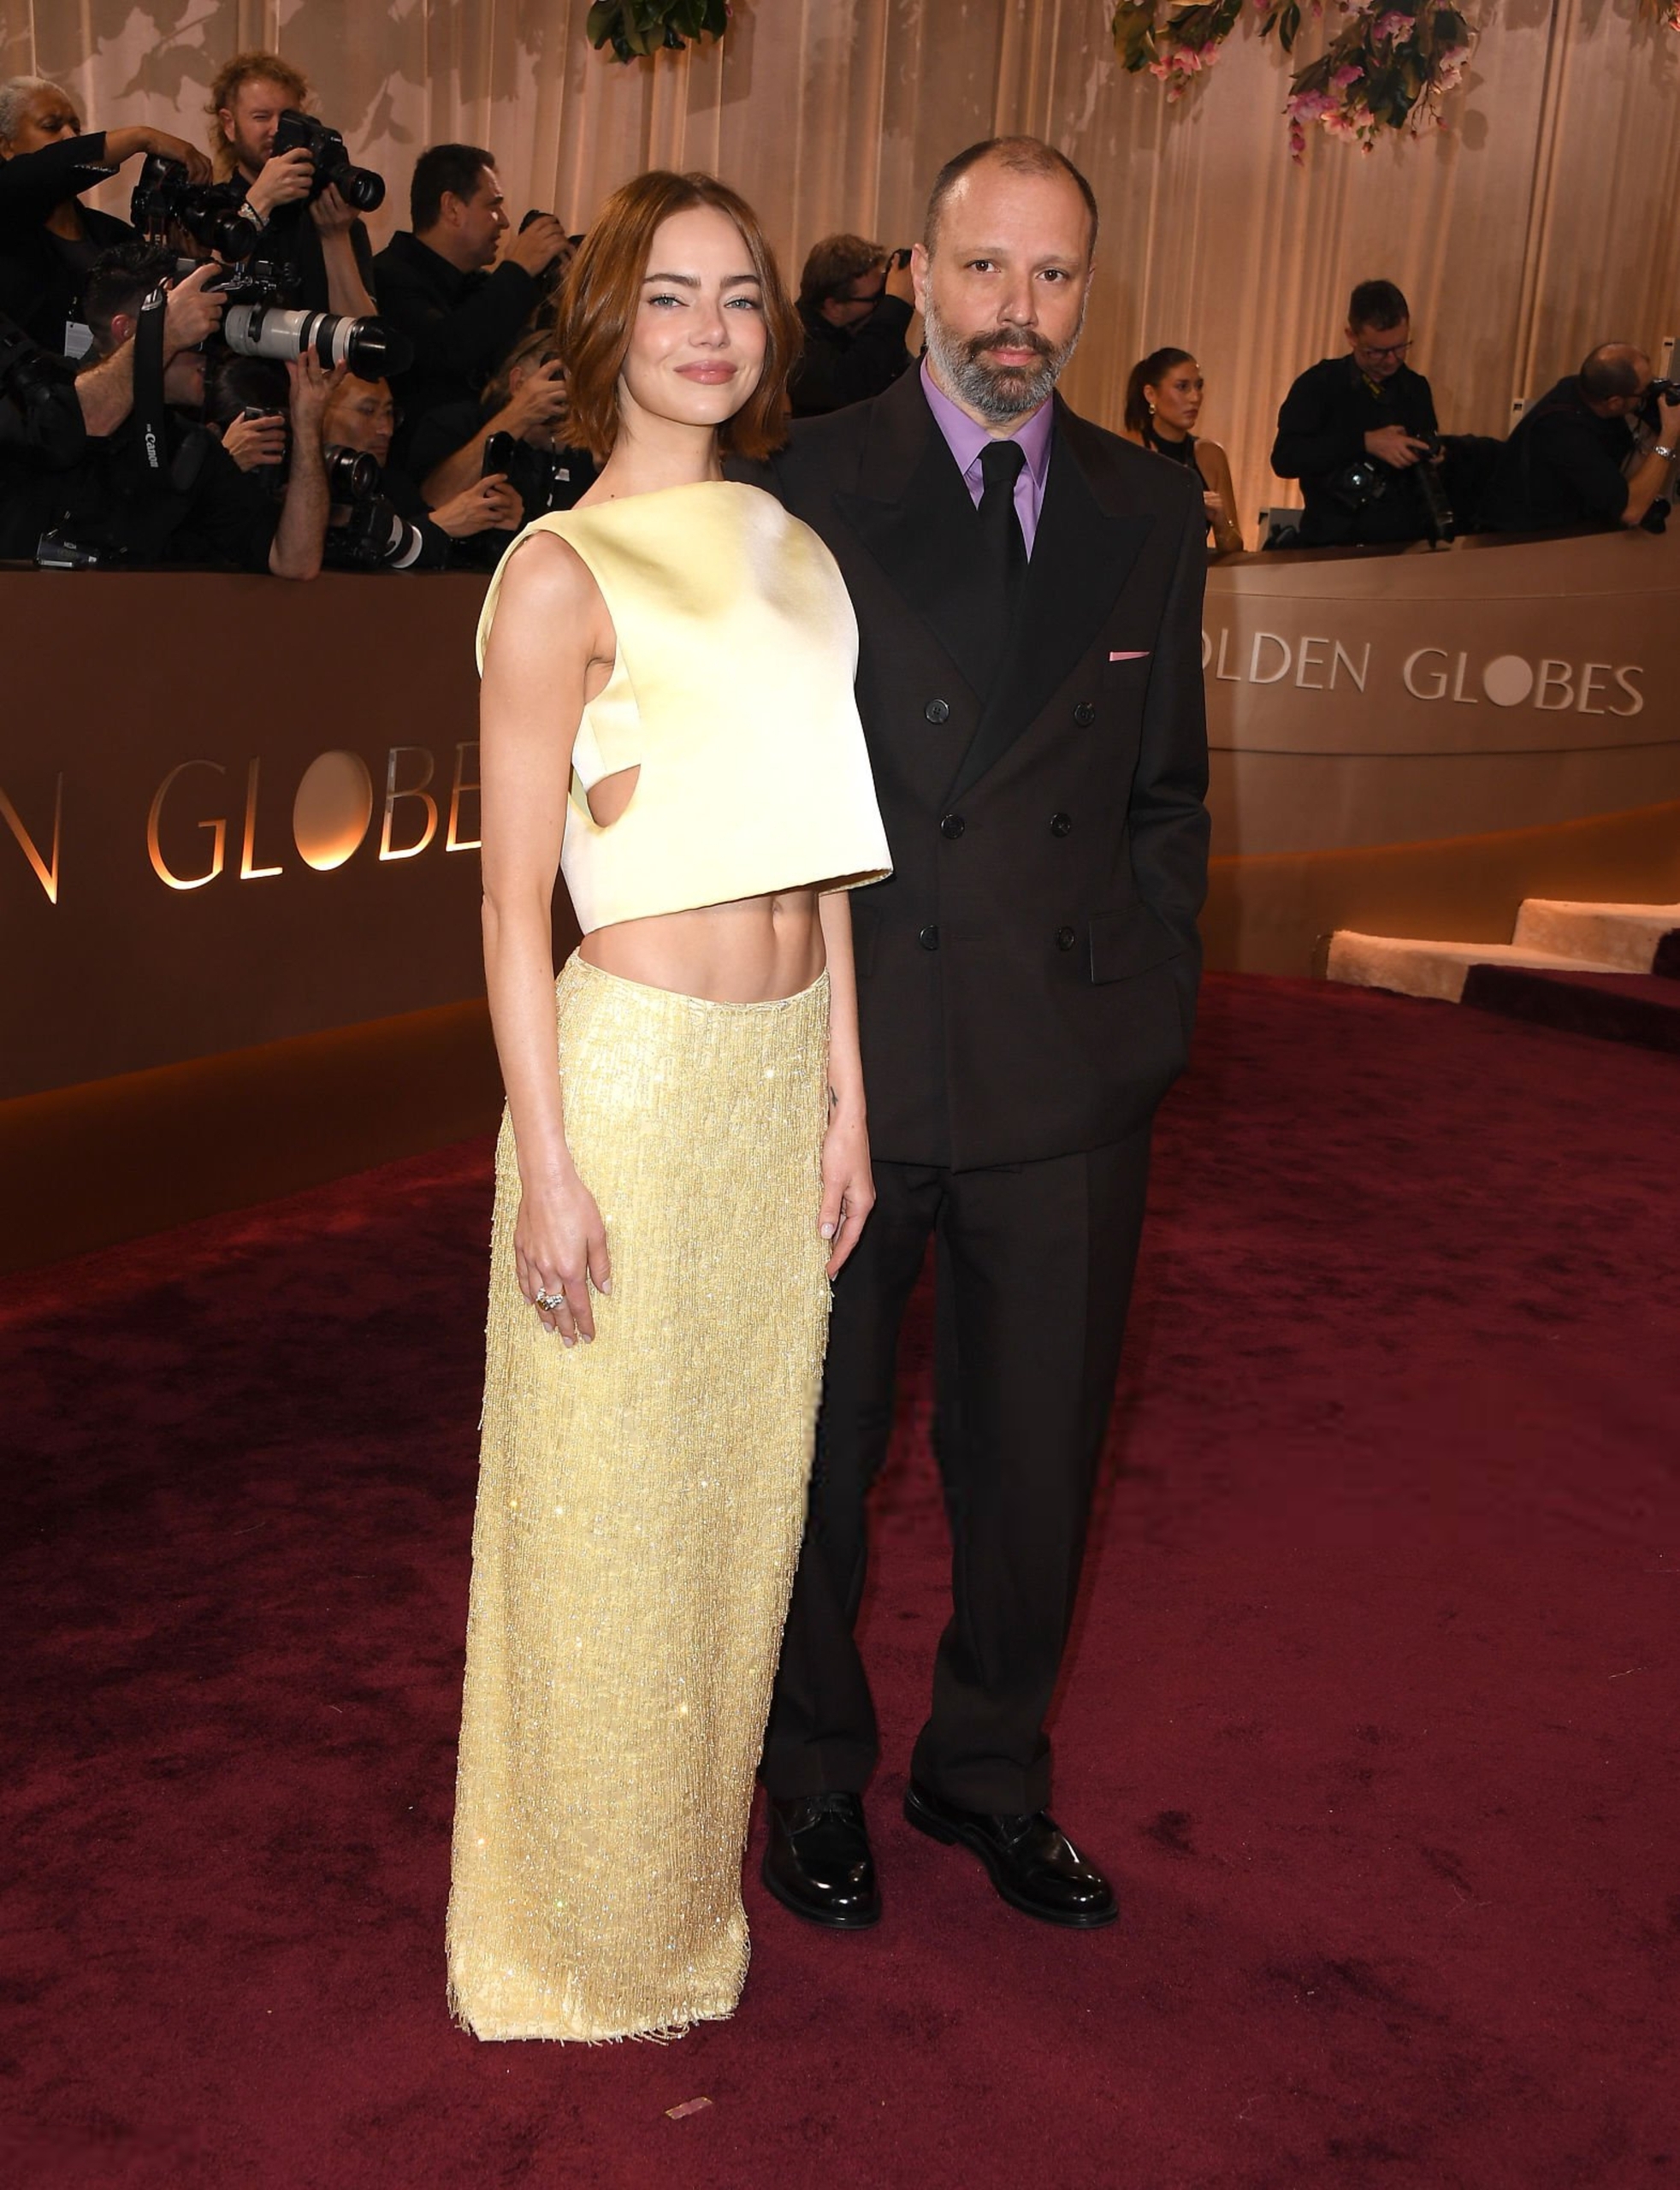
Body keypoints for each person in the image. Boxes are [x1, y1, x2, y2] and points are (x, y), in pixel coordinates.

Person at [445, 167, 891, 2044]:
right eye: (670, 297)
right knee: (606, 1518)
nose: (710, 332)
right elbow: (508, 901)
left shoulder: (792, 544)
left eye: (739, 298)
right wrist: (547, 1163)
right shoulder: (558, 571)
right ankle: (574, 1937)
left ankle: (680, 1898)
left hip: (776, 1083)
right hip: (626, 1085)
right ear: (606, 320)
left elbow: (822, 844)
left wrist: (844, 1098)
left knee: (734, 1517)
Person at [747, 138, 1209, 1931]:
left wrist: (1144, 1010)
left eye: (1054, 274)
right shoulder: (800, 484)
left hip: (1062, 1066)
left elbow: (1165, 791)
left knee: (1033, 1462)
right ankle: (809, 1770)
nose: (1019, 310)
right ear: (920, 275)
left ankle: (986, 1772)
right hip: (847, 1061)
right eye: (985, 268)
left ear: (1087, 289)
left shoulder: (1144, 503)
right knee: (816, 1449)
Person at [0, 240, 334, 575]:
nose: (205, 349)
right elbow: (78, 423)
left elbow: (295, 560)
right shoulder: (33, 397)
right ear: (126, 330)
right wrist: (162, 333)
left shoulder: (189, 448)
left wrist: (308, 426)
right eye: (192, 332)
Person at [371, 145, 568, 467]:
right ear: (452, 208)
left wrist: (559, 290)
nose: (504, 222)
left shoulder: (479, 287)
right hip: (412, 471)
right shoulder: (388, 276)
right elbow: (446, 349)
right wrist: (518, 270)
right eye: (493, 206)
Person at [0, 76, 206, 354]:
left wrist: (186, 261)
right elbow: (45, 169)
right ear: (6, 147)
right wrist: (143, 137)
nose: (70, 137)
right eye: (51, 126)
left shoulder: (115, 234)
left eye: (76, 128)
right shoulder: (7, 226)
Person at [1271, 279, 1443, 547]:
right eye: (1377, 352)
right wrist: (1364, 442)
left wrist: (1432, 454)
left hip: (1403, 544)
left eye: (1401, 347)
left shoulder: (1415, 388)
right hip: (1331, 544)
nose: (1392, 360)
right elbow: (1285, 459)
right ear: (1351, 336)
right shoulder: (1319, 384)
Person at [405, 327, 599, 563]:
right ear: (518, 383)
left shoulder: (583, 452)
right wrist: (519, 415)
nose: (563, 390)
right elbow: (433, 501)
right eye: (554, 377)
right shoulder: (456, 423)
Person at [206, 51, 376, 317]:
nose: (276, 130)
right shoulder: (211, 207)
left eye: (288, 118)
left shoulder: (329, 214)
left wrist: (336, 238)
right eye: (261, 117)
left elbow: (360, 331)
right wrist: (260, 202)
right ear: (229, 124)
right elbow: (208, 298)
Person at [316, 370, 521, 567]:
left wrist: (496, 526)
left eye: (389, 413)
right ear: (320, 412)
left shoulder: (391, 486)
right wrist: (438, 524)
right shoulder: (303, 485)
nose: (386, 429)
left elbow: (447, 552)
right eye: (368, 411)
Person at [1484, 343, 1680, 535]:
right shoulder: (1564, 430)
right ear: (1615, 402)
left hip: (1576, 526)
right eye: (1645, 391)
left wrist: (1654, 431)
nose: (1650, 395)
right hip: (1526, 538)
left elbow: (1625, 480)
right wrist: (1669, 434)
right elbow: (1631, 512)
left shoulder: (1590, 395)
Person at [1122, 346, 1244, 555]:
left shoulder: (1211, 455)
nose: (1195, 397)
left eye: (1199, 386)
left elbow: (1234, 548)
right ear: (1151, 394)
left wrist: (1222, 521)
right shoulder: (1127, 448)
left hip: (1190, 573)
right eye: (1182, 387)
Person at [788, 232, 916, 417]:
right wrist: (897, 304)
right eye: (874, 297)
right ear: (834, 307)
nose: (881, 302)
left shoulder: (849, 329)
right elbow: (851, 386)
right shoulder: (795, 342)